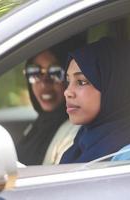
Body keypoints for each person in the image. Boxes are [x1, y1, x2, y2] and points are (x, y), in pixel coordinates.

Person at [60, 37, 130, 163]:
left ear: (118, 87)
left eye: (82, 82)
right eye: (68, 81)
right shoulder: (85, 139)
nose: (67, 92)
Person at [16, 37, 83, 165]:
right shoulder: (38, 125)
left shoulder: (74, 134)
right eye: (34, 72)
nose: (44, 83)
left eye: (56, 72)